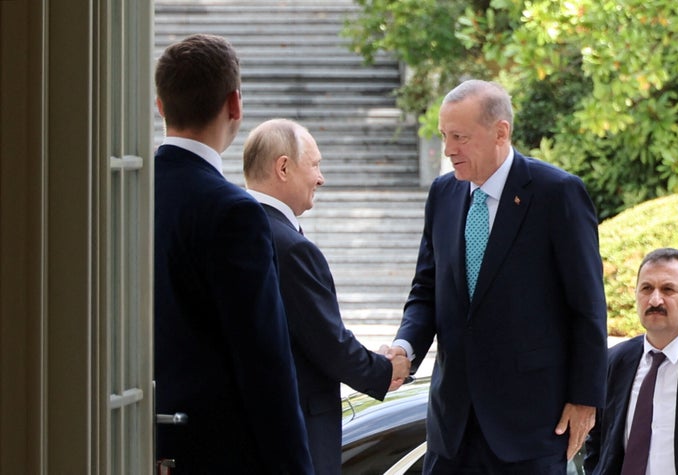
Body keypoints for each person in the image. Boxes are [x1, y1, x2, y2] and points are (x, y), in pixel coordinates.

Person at [384, 79, 608, 474]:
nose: (449, 149)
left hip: (529, 429)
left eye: (460, 137)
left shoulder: (557, 193)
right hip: (451, 428)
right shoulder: (443, 194)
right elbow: (426, 290)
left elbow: (587, 306)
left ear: (500, 132)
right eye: (443, 136)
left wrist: (584, 399)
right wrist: (405, 347)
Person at [153, 35, 313, 474]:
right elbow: (265, 365)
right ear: (235, 105)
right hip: (216, 454)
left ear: (160, 106)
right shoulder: (234, 212)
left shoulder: (126, 193)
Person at [242, 118, 411, 474]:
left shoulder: (236, 228)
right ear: (283, 167)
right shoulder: (291, 247)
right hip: (297, 433)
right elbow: (327, 343)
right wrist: (385, 369)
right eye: (315, 165)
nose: (321, 178)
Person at [584, 247, 678, 474]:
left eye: (668, 289)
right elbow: (597, 441)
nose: (655, 299)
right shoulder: (613, 362)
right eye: (646, 289)